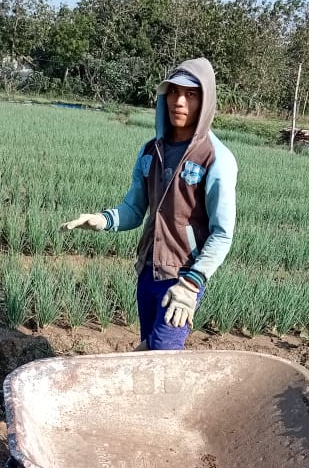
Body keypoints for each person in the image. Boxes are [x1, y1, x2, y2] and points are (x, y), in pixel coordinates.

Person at [60, 57, 237, 350]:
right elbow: (134, 208)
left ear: (205, 102)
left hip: (182, 277)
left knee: (163, 355)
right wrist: (102, 219)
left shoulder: (216, 158)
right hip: (148, 270)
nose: (179, 101)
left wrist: (191, 285)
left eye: (191, 94)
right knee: (148, 350)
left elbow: (222, 233)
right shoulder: (150, 152)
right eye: (173, 92)